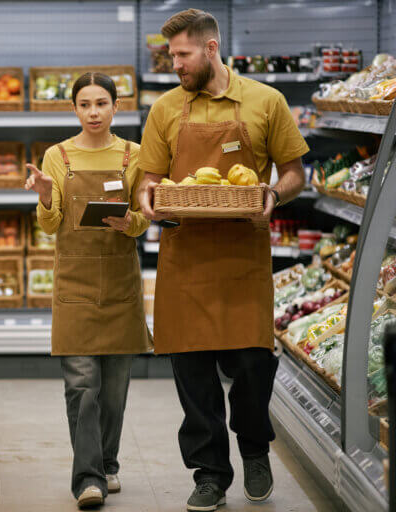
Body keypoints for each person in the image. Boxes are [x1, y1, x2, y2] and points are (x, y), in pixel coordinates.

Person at [136, 9, 309, 511]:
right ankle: (209, 473)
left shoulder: (265, 101)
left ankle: (255, 450)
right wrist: (148, 199)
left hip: (242, 256)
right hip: (184, 256)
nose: (176, 65)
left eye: (183, 55)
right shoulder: (165, 109)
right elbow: (149, 177)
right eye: (172, 56)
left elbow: (295, 171)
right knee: (193, 376)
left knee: (253, 364)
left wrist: (275, 195)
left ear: (211, 49)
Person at [25, 72, 153, 510]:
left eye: (102, 103)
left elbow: (142, 219)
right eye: (85, 104)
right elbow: (51, 224)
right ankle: (87, 479)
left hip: (120, 283)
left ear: (116, 107)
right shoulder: (56, 156)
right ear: (74, 109)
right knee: (82, 385)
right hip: (74, 285)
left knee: (114, 388)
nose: (94, 112)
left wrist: (129, 222)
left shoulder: (135, 155)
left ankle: (108, 463)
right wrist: (44, 196)